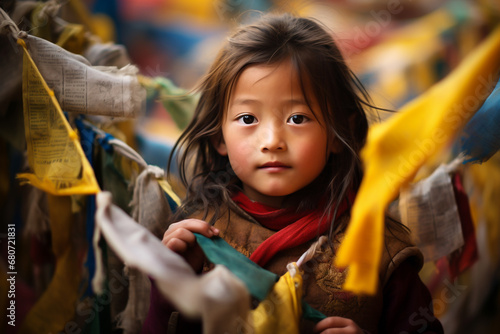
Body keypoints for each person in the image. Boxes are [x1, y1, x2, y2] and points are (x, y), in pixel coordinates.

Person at [142, 12, 444, 334]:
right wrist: (169, 284)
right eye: (247, 119)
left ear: (339, 132)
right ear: (219, 136)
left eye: (298, 119)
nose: (272, 141)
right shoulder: (196, 234)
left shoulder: (379, 248)